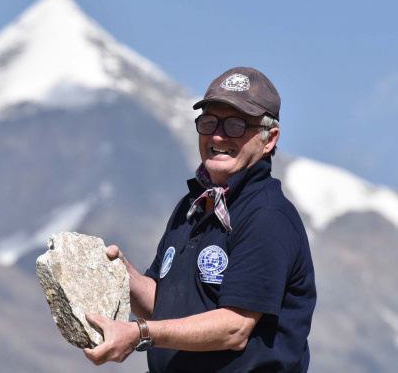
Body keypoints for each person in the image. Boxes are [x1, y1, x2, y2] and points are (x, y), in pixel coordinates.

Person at [83, 67, 316, 372]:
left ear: (269, 139)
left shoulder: (267, 216)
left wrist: (140, 333)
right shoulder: (191, 207)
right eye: (209, 123)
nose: (218, 135)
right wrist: (121, 274)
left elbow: (234, 327)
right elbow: (164, 306)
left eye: (236, 125)